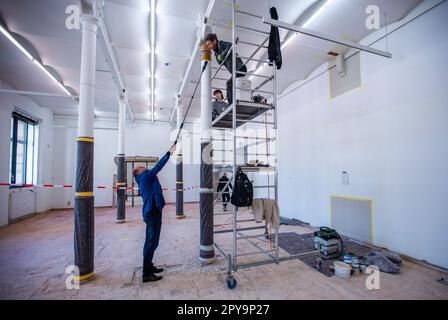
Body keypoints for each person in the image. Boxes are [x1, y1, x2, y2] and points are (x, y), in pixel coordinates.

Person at [133, 144, 176, 283]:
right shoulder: (145, 176)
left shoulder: (145, 178)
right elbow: (158, 167)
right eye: (140, 167)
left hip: (154, 210)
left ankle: (149, 266)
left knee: (154, 241)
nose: (143, 167)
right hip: (152, 212)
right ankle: (146, 274)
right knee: (151, 242)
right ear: (137, 172)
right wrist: (169, 153)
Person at [204, 33, 247, 106]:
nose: (208, 47)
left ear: (214, 41)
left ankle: (231, 104)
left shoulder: (221, 43)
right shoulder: (215, 53)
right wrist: (220, 57)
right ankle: (232, 102)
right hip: (234, 72)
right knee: (232, 84)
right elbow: (219, 62)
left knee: (229, 83)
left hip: (240, 68)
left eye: (209, 44)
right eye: (207, 45)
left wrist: (222, 55)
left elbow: (230, 45)